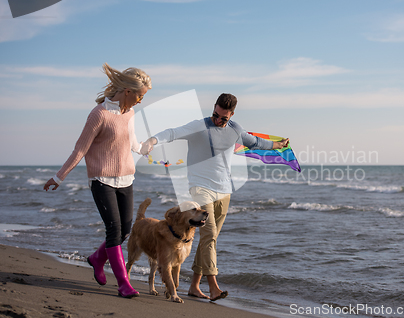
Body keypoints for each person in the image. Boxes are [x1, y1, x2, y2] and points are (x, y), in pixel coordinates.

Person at [141, 93, 288, 301]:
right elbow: (174, 132)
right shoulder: (200, 126)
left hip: (224, 191)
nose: (218, 120)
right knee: (208, 236)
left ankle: (193, 286)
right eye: (216, 115)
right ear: (214, 108)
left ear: (232, 115)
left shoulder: (235, 129)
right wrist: (153, 140)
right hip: (200, 189)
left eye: (223, 118)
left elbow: (255, 142)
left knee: (209, 240)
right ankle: (213, 287)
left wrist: (278, 145)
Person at [43, 63, 152, 298]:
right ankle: (124, 284)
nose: (141, 101)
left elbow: (134, 145)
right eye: (140, 96)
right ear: (127, 91)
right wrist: (58, 177)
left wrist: (150, 145)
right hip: (102, 179)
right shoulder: (99, 114)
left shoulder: (130, 113)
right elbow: (80, 150)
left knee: (124, 232)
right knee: (114, 230)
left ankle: (96, 259)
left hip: (126, 179)